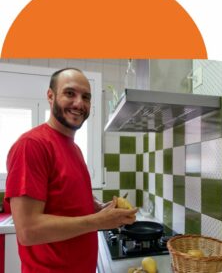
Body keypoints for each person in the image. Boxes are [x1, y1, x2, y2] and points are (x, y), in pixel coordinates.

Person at [5, 68, 138, 273]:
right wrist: (98, 221)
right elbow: (28, 230)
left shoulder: (73, 148)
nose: (79, 103)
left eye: (86, 97)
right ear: (50, 96)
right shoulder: (31, 145)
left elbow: (67, 201)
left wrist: (99, 207)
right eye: (70, 93)